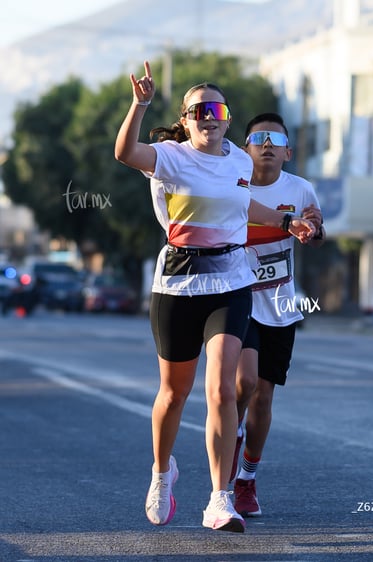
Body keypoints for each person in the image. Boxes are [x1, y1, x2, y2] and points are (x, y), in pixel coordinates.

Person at [114, 63, 315, 533]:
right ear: (186, 119)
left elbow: (244, 204)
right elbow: (125, 153)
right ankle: (162, 473)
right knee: (173, 393)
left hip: (230, 280)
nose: (209, 116)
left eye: (217, 109)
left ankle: (219, 499)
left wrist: (287, 222)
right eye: (199, 110)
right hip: (179, 281)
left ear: (228, 118)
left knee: (223, 389)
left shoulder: (240, 162)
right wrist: (140, 104)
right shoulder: (169, 156)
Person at [231, 112, 325, 517]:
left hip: (281, 306)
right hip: (235, 298)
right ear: (245, 148)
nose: (266, 144)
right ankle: (224, 470)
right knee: (243, 384)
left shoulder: (300, 189)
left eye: (274, 139)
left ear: (287, 151)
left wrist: (313, 230)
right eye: (257, 138)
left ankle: (246, 479)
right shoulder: (231, 185)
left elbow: (318, 230)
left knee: (263, 397)